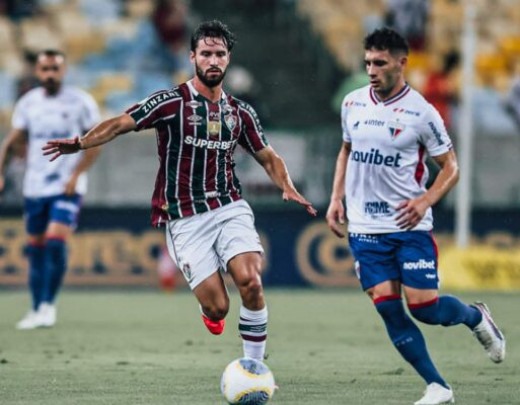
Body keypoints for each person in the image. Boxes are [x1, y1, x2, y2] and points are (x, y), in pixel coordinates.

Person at [43, 20, 316, 362]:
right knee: (219, 308)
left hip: (229, 206)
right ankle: (211, 313)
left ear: (228, 59)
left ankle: (254, 366)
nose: (213, 60)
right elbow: (120, 123)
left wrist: (287, 187)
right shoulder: (171, 102)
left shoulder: (240, 112)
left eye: (219, 54)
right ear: (192, 57)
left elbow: (268, 156)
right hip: (185, 219)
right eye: (206, 54)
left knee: (251, 281)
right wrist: (82, 142)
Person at [325, 28, 505, 405]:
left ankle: (475, 317)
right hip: (365, 229)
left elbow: (451, 166)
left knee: (426, 309)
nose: (371, 70)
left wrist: (425, 201)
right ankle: (438, 386)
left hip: (408, 227)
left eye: (380, 62)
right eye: (368, 62)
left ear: (401, 63)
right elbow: (345, 150)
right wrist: (335, 196)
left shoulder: (422, 113)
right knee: (389, 308)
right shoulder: (353, 103)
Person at [0, 49, 101, 330]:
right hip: (34, 186)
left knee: (55, 242)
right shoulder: (28, 104)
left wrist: (77, 174)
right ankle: (35, 308)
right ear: (37, 72)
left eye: (55, 69)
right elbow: (12, 142)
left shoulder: (81, 102)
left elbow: (96, 142)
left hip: (67, 185)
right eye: (45, 69)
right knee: (36, 248)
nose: (50, 75)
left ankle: (47, 305)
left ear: (64, 71)